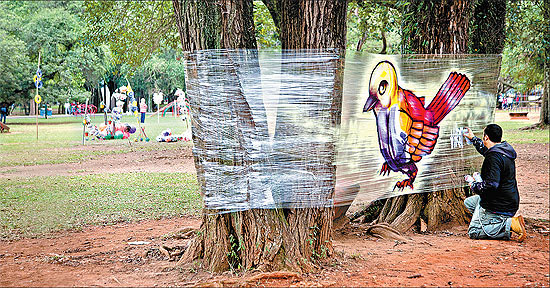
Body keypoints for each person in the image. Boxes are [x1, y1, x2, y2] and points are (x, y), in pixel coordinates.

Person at [463, 124, 527, 242]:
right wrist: (473, 139)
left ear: (486, 137)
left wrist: (474, 185)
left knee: (474, 232)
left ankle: (508, 224)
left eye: (483, 137)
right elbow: (485, 150)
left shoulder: (493, 157)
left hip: (499, 204)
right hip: (509, 200)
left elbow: (491, 185)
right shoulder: (503, 150)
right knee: (469, 203)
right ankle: (492, 221)